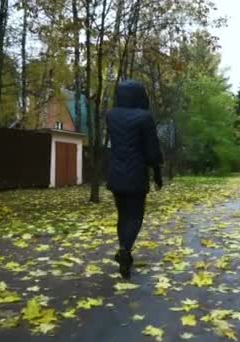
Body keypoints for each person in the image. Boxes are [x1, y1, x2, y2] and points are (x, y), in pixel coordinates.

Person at [106, 80, 163, 279]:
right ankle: (125, 249)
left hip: (115, 173)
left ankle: (123, 248)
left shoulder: (111, 116)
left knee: (122, 215)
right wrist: (157, 173)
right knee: (136, 216)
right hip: (137, 173)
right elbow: (152, 150)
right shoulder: (144, 118)